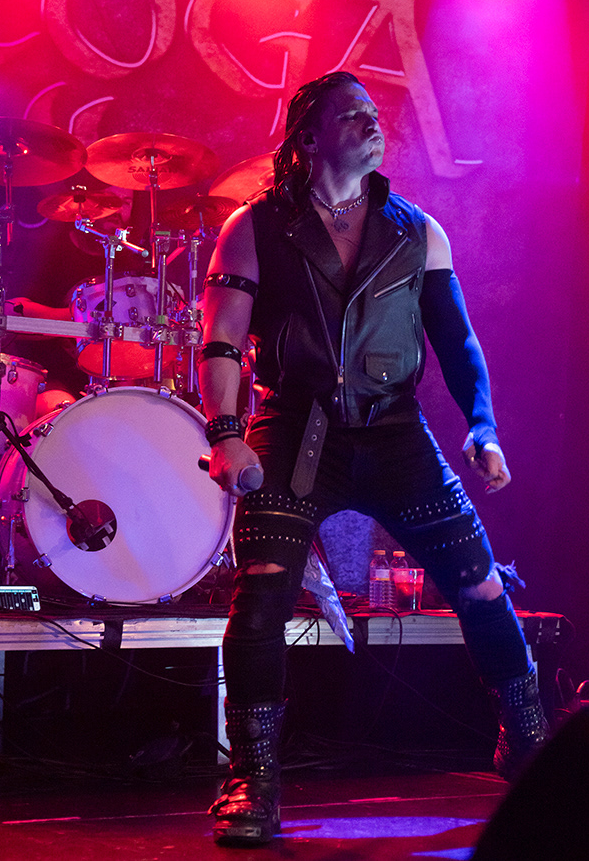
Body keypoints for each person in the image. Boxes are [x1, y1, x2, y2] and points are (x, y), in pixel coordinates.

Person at [199, 71, 549, 846]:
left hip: (394, 433)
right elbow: (221, 338)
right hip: (297, 429)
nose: (371, 123)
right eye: (350, 114)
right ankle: (252, 777)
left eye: (373, 113)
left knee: (482, 584)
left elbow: (456, 342)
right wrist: (224, 432)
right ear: (308, 135)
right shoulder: (255, 226)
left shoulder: (417, 230)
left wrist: (483, 426)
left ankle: (527, 743)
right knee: (261, 594)